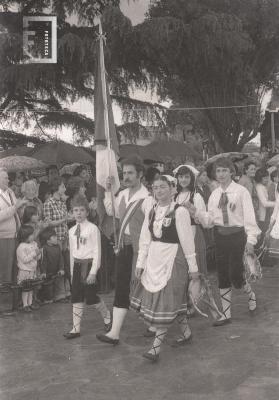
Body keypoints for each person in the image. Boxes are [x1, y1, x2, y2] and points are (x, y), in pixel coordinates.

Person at [130, 175, 200, 361]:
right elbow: (145, 240)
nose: (158, 191)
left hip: (173, 259)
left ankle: (155, 348)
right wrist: (140, 263)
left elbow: (187, 241)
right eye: (155, 187)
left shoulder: (180, 212)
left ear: (172, 189)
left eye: (162, 187)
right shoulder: (152, 211)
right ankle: (186, 333)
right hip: (154, 259)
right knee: (174, 300)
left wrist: (193, 269)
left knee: (167, 300)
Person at [192, 157, 261, 326]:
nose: (221, 174)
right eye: (218, 171)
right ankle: (226, 314)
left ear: (232, 172)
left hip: (238, 237)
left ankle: (251, 294)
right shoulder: (215, 194)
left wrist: (250, 240)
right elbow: (209, 221)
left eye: (224, 170)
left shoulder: (241, 192)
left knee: (236, 275)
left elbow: (250, 218)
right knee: (222, 274)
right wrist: (197, 213)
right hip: (220, 237)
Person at [96, 155, 151, 345]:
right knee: (121, 286)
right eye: (124, 173)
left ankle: (154, 324)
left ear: (140, 174)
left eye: (130, 173)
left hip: (141, 250)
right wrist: (108, 191)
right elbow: (114, 213)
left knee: (144, 285)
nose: (126, 177)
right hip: (123, 246)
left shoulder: (147, 199)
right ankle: (114, 333)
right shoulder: (123, 194)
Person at [63, 195, 111, 339]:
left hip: (89, 266)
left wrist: (93, 272)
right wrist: (72, 273)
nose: (78, 213)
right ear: (72, 212)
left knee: (91, 297)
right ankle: (75, 328)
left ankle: (107, 316)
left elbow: (97, 251)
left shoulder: (93, 229)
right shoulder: (71, 231)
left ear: (87, 212)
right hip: (77, 266)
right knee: (76, 296)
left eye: (82, 210)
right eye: (75, 210)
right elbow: (72, 253)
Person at [173, 165, 207, 275]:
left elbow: (203, 219)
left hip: (193, 233)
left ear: (191, 178)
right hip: (177, 235)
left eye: (186, 177)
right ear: (177, 178)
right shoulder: (174, 196)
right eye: (181, 177)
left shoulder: (196, 196)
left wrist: (192, 210)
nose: (183, 180)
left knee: (193, 261)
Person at [43, 176, 71, 301]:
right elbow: (49, 223)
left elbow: (65, 219)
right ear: (56, 188)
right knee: (58, 264)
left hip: (65, 236)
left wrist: (69, 218)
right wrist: (64, 219)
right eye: (62, 186)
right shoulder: (48, 203)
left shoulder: (62, 202)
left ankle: (66, 290)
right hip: (56, 238)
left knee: (65, 263)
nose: (64, 188)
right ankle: (59, 293)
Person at [0, 168, 27, 288]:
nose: (8, 179)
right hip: (4, 237)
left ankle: (14, 302)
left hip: (15, 234)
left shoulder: (10, 192)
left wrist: (21, 208)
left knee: (14, 268)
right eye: (5, 177)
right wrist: (15, 207)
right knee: (5, 268)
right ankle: (5, 302)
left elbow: (16, 210)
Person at [16, 225, 41, 312]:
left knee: (31, 288)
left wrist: (38, 254)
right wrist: (34, 253)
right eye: (31, 234)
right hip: (25, 271)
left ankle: (30, 303)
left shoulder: (34, 244)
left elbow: (37, 258)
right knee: (25, 289)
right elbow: (24, 259)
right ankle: (25, 305)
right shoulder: (21, 247)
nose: (33, 236)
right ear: (25, 236)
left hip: (32, 270)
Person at [39, 227, 65, 303]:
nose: (56, 238)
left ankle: (59, 297)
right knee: (48, 286)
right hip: (47, 272)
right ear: (48, 240)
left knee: (58, 283)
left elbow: (61, 259)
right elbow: (43, 261)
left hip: (57, 271)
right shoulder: (44, 248)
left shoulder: (58, 247)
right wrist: (43, 272)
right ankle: (47, 299)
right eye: (54, 237)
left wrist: (61, 268)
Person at [255, 168, 275, 234]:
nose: (267, 180)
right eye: (265, 178)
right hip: (262, 217)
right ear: (259, 178)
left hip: (265, 215)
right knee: (263, 235)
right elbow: (265, 203)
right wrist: (277, 203)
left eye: (267, 178)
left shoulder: (262, 186)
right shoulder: (259, 187)